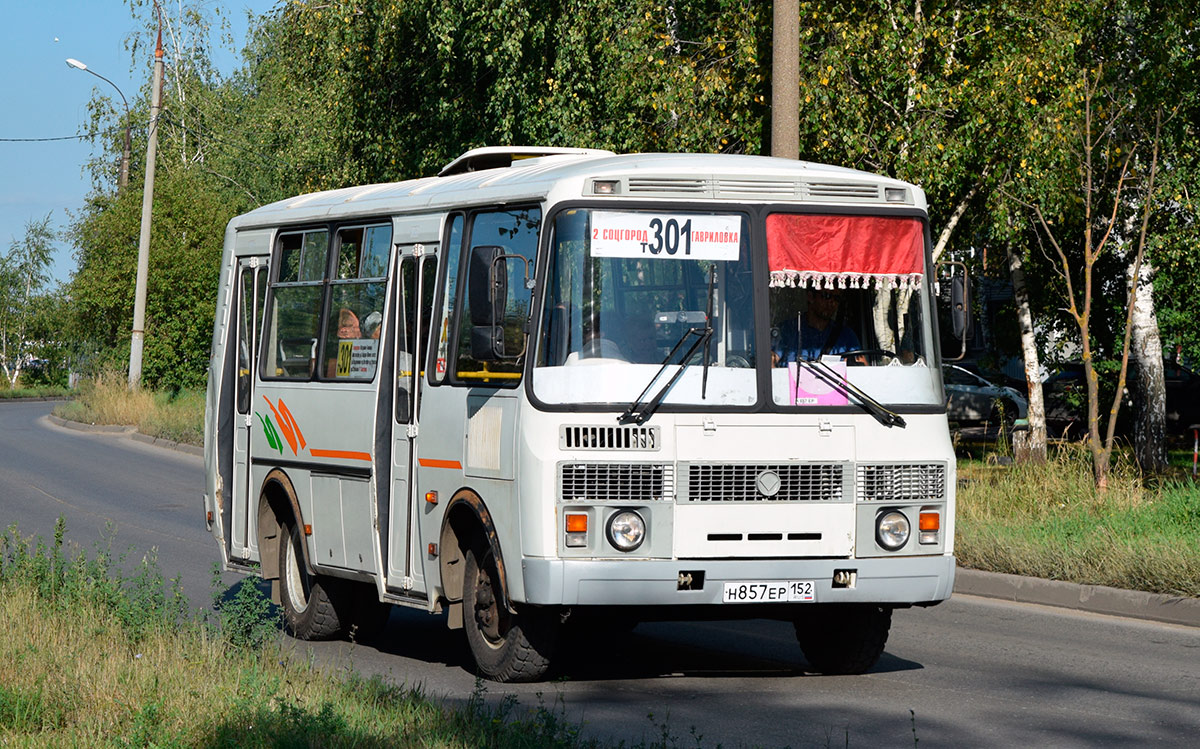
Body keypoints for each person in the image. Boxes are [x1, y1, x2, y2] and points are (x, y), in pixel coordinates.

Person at [773, 288, 861, 364]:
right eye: (826, 295)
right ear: (810, 297)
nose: (832, 302)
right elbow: (769, 361)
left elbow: (862, 367)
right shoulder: (788, 330)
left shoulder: (846, 335)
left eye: (837, 298)